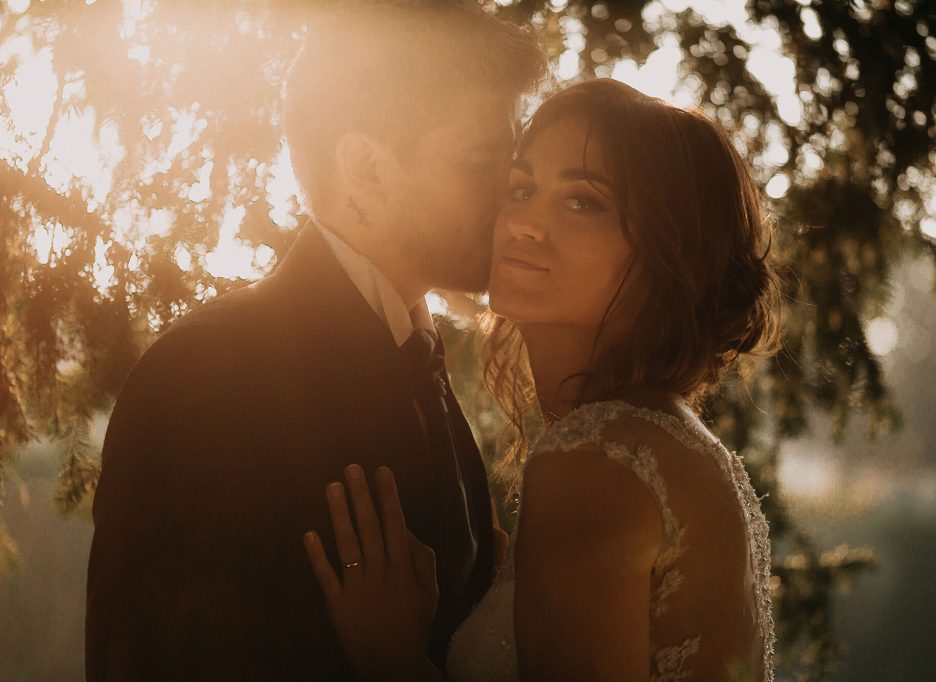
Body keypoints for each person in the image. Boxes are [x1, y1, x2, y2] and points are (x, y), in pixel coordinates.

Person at [85, 2, 545, 679]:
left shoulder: (424, 365)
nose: (514, 192)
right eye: (483, 160)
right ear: (366, 169)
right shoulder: (207, 377)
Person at [303, 79, 781, 681]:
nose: (524, 222)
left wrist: (393, 659)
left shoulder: (593, 461)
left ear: (669, 251)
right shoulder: (662, 442)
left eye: (583, 201)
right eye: (520, 189)